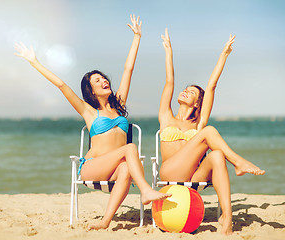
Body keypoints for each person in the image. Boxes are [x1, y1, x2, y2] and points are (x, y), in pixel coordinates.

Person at [14, 15, 171, 231]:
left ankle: (105, 221)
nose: (104, 81)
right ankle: (145, 190)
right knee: (130, 147)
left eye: (103, 78)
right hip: (93, 169)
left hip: (115, 170)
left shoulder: (119, 105)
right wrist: (34, 61)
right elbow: (61, 85)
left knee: (126, 167)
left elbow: (128, 69)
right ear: (91, 90)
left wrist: (137, 37)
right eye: (97, 81)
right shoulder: (88, 111)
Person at [158, 28, 265, 235]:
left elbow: (212, 85)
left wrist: (224, 55)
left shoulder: (198, 124)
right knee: (209, 131)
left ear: (198, 102)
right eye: (185, 89)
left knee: (216, 155)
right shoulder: (166, 117)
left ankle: (227, 218)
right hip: (170, 172)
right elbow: (169, 81)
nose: (184, 91)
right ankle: (238, 162)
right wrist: (168, 50)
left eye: (191, 92)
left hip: (195, 176)